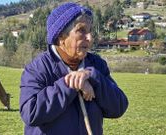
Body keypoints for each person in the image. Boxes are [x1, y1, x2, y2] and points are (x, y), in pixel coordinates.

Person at [19, 2, 128, 135]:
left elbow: (118, 107)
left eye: (89, 31)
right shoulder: (38, 68)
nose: (89, 38)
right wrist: (70, 84)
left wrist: (93, 77)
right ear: (61, 37)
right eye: (81, 30)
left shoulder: (96, 65)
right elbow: (31, 113)